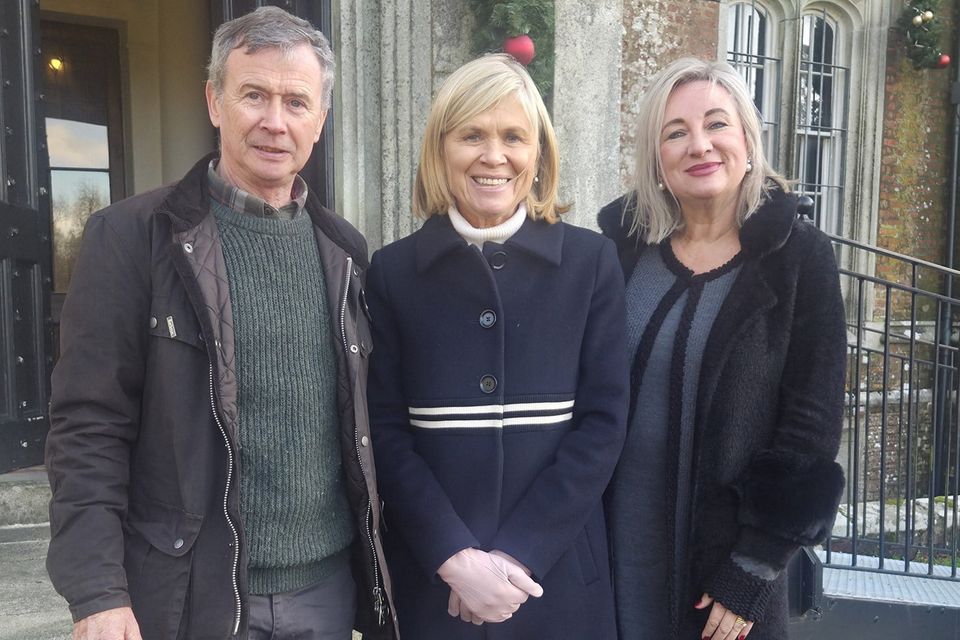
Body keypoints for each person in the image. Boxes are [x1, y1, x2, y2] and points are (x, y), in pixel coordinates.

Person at [44, 7, 396, 640]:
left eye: (296, 101)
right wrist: (97, 592)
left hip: (326, 593)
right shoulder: (130, 238)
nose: (274, 121)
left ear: (320, 119)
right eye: (253, 95)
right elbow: (89, 427)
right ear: (214, 101)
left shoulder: (347, 253)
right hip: (188, 598)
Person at [365, 53, 628, 639]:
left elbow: (603, 424)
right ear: (441, 150)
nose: (493, 156)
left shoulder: (591, 264)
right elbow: (382, 430)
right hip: (435, 589)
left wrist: (518, 556)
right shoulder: (391, 274)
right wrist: (453, 555)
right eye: (472, 136)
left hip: (555, 583)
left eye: (514, 137)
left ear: (538, 155)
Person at [599, 57, 846, 640]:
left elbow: (811, 428)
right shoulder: (620, 253)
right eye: (676, 131)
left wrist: (754, 568)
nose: (699, 145)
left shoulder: (797, 258)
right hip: (614, 547)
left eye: (717, 124)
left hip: (725, 566)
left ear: (747, 141)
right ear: (656, 157)